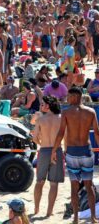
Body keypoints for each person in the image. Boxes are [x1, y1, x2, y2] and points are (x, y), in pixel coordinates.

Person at [51, 87, 99, 224]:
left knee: (74, 187)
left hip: (72, 152)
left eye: (68, 96)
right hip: (86, 151)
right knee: (89, 186)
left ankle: (76, 219)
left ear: (74, 97)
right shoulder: (90, 112)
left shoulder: (66, 112)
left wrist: (54, 150)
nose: (67, 98)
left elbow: (61, 133)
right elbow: (97, 133)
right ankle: (93, 217)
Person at [32, 96, 64, 217]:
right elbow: (64, 137)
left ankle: (36, 209)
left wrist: (43, 144)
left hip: (44, 150)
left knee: (39, 181)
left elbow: (34, 138)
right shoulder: (61, 118)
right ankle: (49, 212)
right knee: (54, 183)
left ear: (48, 106)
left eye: (42, 104)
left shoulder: (41, 119)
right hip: (57, 150)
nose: (40, 106)